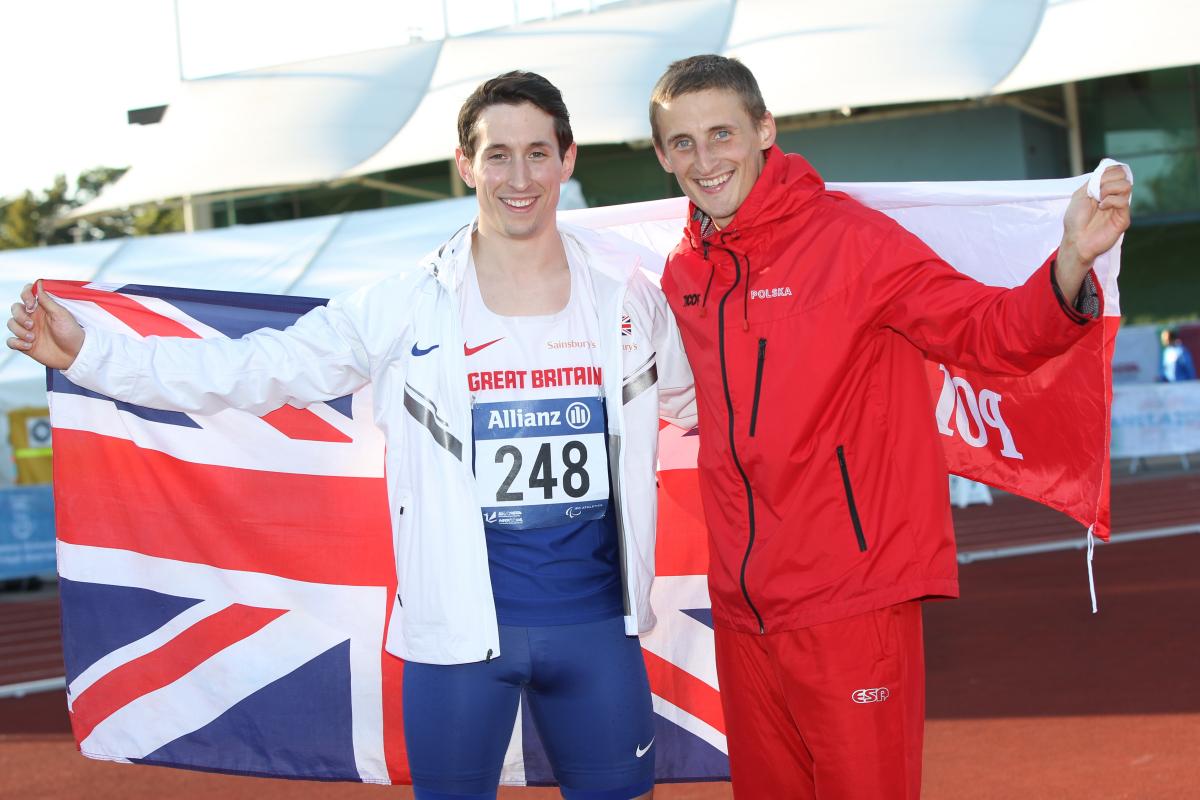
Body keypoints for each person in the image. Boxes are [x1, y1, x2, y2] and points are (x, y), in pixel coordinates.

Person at [8, 71, 696, 800]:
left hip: (598, 633)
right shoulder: (403, 305)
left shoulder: (630, 298)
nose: (518, 176)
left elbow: (710, 405)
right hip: (454, 644)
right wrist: (90, 353)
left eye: (536, 153)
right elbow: (251, 369)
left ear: (567, 159)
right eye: (498, 155)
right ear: (466, 164)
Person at [646, 54, 1132, 799]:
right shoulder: (685, 271)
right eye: (683, 143)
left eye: (721, 134)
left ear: (764, 130)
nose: (705, 160)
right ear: (661, 155)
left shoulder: (851, 240)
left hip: (851, 598)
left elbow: (986, 331)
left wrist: (1070, 260)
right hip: (743, 614)